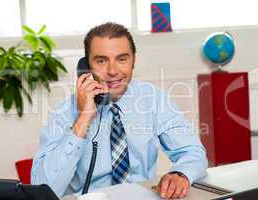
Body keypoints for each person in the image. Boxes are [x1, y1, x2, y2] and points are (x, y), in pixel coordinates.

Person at [31, 22, 208, 199]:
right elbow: (43, 188)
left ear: (133, 60)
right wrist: (83, 120)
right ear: (86, 66)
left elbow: (193, 152)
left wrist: (180, 174)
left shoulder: (153, 99)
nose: (112, 71)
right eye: (101, 60)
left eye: (122, 59)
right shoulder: (63, 112)